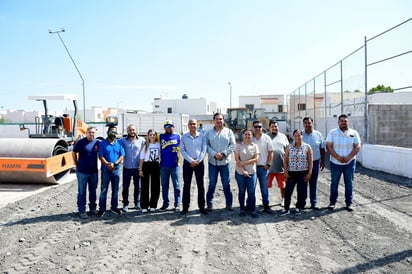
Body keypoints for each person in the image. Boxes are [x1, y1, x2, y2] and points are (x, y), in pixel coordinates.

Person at [326, 114, 361, 212]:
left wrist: (349, 157)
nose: (343, 122)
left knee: (349, 183)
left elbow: (357, 146)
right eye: (341, 121)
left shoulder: (354, 133)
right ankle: (332, 202)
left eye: (345, 121)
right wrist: (337, 157)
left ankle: (349, 203)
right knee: (334, 183)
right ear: (338, 122)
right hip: (335, 163)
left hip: (349, 163)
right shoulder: (332, 132)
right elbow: (328, 146)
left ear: (348, 122)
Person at [205, 113, 236, 211]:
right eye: (217, 119)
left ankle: (229, 204)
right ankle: (209, 204)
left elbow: (233, 145)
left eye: (221, 119)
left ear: (223, 120)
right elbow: (206, 146)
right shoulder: (209, 133)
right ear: (214, 120)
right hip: (212, 163)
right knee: (212, 183)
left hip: (225, 163)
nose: (219, 121)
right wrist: (214, 154)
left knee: (226, 184)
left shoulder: (229, 132)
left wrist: (223, 153)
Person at [279, 129, 313, 216]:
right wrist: (285, 172)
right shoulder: (289, 147)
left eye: (299, 135)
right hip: (291, 173)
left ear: (302, 136)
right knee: (288, 191)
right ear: (293, 137)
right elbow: (285, 160)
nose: (297, 137)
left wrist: (309, 173)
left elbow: (310, 161)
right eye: (295, 135)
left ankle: (298, 207)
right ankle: (286, 208)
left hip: (303, 172)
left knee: (301, 190)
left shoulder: (307, 147)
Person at [180, 118, 208, 215]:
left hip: (199, 163)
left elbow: (204, 149)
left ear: (197, 125)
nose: (192, 126)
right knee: (186, 185)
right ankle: (185, 207)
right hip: (188, 164)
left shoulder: (202, 136)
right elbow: (182, 150)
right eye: (191, 124)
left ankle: (202, 207)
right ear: (188, 125)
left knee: (201, 186)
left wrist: (198, 160)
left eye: (194, 124)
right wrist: (191, 161)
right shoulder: (184, 137)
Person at [97, 125, 125, 217]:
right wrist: (108, 164)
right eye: (111, 132)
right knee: (104, 189)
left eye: (114, 132)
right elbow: (101, 156)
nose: (113, 134)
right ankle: (102, 209)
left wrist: (115, 164)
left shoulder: (119, 143)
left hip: (116, 169)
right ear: (107, 132)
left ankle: (114, 207)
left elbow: (122, 156)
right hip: (106, 169)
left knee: (115, 189)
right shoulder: (102, 143)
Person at [72, 126, 100, 219]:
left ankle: (92, 209)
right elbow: (73, 152)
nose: (91, 134)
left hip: (93, 172)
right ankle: (82, 210)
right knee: (82, 192)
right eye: (90, 132)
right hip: (82, 172)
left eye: (93, 132)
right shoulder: (81, 142)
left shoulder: (97, 143)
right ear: (86, 133)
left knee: (93, 191)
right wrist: (76, 164)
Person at [119, 124, 145, 212]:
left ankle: (137, 203)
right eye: (130, 130)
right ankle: (125, 204)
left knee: (138, 187)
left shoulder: (141, 140)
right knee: (125, 187)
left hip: (138, 168)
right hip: (127, 168)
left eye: (133, 130)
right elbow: (113, 144)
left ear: (136, 130)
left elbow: (146, 150)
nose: (132, 132)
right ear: (127, 131)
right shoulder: (122, 140)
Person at [235, 129, 260, 218]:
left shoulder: (255, 146)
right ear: (243, 135)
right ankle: (242, 209)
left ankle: (253, 210)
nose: (247, 136)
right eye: (246, 134)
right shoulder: (238, 146)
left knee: (251, 192)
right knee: (241, 191)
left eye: (249, 134)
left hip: (252, 173)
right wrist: (243, 170)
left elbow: (256, 159)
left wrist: (244, 162)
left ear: (252, 136)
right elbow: (237, 160)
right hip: (240, 173)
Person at [302, 117, 325, 210]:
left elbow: (322, 148)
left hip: (315, 162)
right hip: (302, 163)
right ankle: (302, 202)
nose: (308, 125)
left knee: (313, 183)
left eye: (309, 123)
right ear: (303, 124)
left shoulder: (318, 134)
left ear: (313, 123)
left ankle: (313, 203)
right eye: (306, 123)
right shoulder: (300, 134)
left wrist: (323, 161)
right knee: (303, 183)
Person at [251, 120, 274, 213]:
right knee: (251, 188)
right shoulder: (249, 138)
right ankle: (250, 205)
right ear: (252, 128)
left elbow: (271, 153)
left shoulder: (267, 138)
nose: (257, 128)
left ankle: (266, 206)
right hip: (252, 168)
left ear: (262, 128)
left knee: (264, 188)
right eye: (255, 127)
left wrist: (268, 164)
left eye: (259, 127)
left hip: (263, 168)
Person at [159, 120, 182, 212]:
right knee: (164, 186)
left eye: (170, 126)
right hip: (164, 165)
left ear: (174, 126)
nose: (168, 128)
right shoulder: (160, 136)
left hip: (175, 165)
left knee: (176, 186)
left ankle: (177, 204)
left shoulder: (178, 136)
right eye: (166, 126)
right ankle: (165, 204)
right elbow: (150, 140)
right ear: (164, 127)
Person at [267, 120, 289, 207]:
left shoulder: (283, 136)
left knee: (283, 186)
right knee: (266, 185)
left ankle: (283, 199)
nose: (274, 128)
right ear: (269, 128)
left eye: (276, 126)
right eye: (272, 126)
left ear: (278, 127)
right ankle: (266, 200)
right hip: (268, 167)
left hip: (281, 167)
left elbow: (287, 149)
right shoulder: (265, 137)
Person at [139, 129, 161, 213]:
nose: (152, 136)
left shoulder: (159, 145)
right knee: (145, 186)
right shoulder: (145, 145)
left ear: (156, 136)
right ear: (148, 136)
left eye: (154, 135)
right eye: (150, 135)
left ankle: (153, 205)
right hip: (146, 165)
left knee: (155, 185)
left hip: (155, 165)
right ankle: (144, 205)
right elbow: (141, 159)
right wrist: (140, 169)